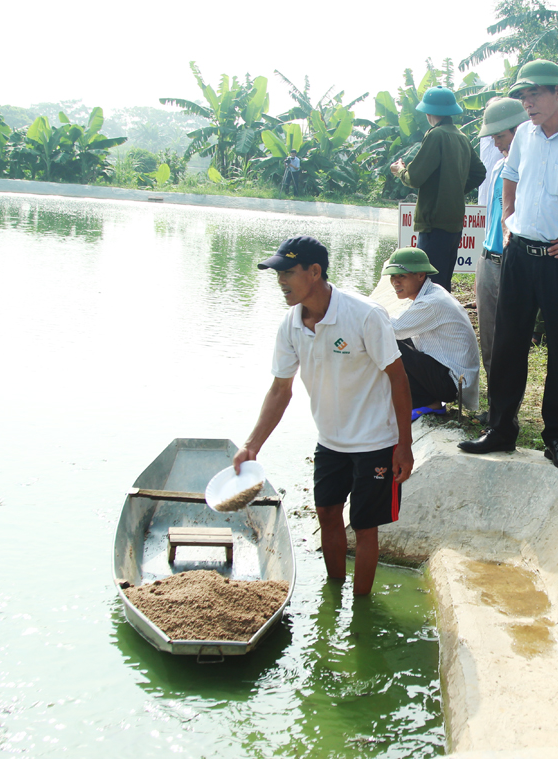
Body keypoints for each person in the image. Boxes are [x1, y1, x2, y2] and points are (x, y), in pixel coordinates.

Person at [233, 236, 415, 597]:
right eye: (277, 274)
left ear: (314, 272)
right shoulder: (291, 324)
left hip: (375, 442)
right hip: (330, 442)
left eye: (288, 272)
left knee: (364, 527)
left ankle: (361, 607)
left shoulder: (364, 315)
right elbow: (280, 390)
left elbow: (399, 379)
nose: (281, 281)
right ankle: (334, 595)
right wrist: (251, 445)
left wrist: (404, 446)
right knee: (328, 515)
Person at [457, 59, 558, 472]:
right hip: (519, 255)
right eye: (523, 95)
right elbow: (509, 173)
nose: (527, 103)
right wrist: (509, 220)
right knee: (509, 345)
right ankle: (501, 429)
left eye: (534, 94)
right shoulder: (525, 135)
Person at [391, 87, 486, 291]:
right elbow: (479, 173)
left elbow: (414, 177)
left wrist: (400, 170)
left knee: (426, 285)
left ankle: (433, 322)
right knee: (442, 284)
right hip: (454, 224)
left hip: (433, 224)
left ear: (428, 113)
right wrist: (455, 189)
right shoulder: (460, 136)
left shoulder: (436, 135)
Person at [383, 247, 481, 417]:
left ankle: (428, 402)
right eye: (393, 276)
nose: (395, 282)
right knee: (395, 339)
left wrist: (361, 315)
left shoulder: (431, 303)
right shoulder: (432, 292)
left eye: (402, 276)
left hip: (453, 383)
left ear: (421, 275)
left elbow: (392, 329)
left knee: (387, 341)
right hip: (448, 375)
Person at [476, 97, 529, 390]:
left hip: (513, 261)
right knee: (488, 336)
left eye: (500, 136)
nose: (497, 143)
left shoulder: (530, 170)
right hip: (489, 257)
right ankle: (496, 403)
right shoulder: (498, 168)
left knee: (510, 337)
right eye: (494, 137)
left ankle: (507, 408)